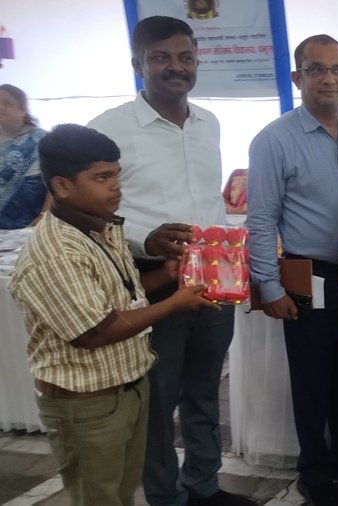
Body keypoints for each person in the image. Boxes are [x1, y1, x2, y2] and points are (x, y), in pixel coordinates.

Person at [9, 124, 218, 506]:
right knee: (99, 497)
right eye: (101, 178)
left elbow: (119, 294)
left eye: (117, 175)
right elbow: (95, 331)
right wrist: (175, 303)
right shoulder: (57, 252)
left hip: (125, 389)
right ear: (62, 186)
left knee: (121, 492)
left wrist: (164, 276)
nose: (116, 187)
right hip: (86, 405)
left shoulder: (101, 227)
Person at [87, 16, 251, 506]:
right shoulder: (108, 128)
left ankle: (204, 486)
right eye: (161, 58)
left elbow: (209, 201)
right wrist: (146, 238)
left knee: (204, 389)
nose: (176, 67)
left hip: (215, 283)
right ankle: (165, 496)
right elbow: (93, 210)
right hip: (153, 283)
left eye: (185, 57)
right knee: (158, 398)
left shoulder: (209, 123)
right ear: (138, 64)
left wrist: (233, 256)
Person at [246, 34, 338, 506]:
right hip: (309, 275)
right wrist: (268, 285)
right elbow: (261, 219)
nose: (329, 78)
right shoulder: (273, 140)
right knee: (312, 378)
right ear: (297, 77)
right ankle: (315, 473)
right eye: (316, 69)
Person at [0, 84, 48, 229]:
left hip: (28, 228)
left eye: (7, 103)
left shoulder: (42, 140)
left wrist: (44, 216)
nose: (1, 107)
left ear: (23, 110)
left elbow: (56, 183)